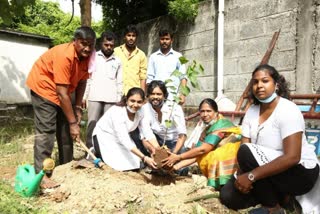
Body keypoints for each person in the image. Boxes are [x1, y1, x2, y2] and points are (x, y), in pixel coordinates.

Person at [219, 64, 320, 214]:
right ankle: (281, 198)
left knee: (246, 152)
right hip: (267, 171)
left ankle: (274, 208)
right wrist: (242, 177)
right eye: (255, 82)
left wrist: (251, 176)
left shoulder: (287, 109)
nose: (259, 85)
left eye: (265, 81)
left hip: (299, 173)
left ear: (276, 84)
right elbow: (244, 149)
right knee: (228, 195)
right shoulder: (252, 112)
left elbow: (293, 157)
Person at [26, 26, 96, 188]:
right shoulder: (64, 55)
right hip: (44, 88)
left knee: (65, 133)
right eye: (83, 44)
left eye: (91, 45)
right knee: (47, 131)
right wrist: (73, 123)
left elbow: (82, 81)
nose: (87, 48)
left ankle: (67, 166)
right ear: (74, 41)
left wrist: (78, 108)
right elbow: (61, 93)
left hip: (63, 91)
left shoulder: (88, 57)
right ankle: (41, 175)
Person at [162, 98, 242, 189]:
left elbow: (203, 150)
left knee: (211, 156)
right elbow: (196, 153)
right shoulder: (207, 130)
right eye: (202, 111)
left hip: (234, 158)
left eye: (208, 111)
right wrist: (175, 167)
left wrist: (178, 157)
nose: (205, 114)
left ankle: (223, 184)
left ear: (216, 112)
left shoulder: (220, 126)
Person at [92, 87, 157, 171]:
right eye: (132, 101)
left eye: (139, 102)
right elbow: (125, 140)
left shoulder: (141, 112)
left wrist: (153, 148)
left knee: (135, 164)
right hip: (105, 137)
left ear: (143, 102)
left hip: (122, 138)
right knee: (119, 166)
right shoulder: (117, 112)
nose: (135, 105)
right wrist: (144, 157)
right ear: (126, 100)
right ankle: (97, 153)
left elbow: (145, 133)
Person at [83, 31, 122, 148]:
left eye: (111, 45)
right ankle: (90, 152)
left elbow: (120, 81)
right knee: (91, 125)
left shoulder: (118, 61)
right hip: (94, 97)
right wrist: (84, 96)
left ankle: (105, 152)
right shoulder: (93, 57)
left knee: (108, 127)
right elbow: (88, 78)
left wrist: (119, 98)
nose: (109, 47)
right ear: (101, 44)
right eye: (106, 44)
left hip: (111, 99)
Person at [140, 80, 187, 155]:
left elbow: (182, 134)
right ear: (148, 95)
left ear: (164, 96)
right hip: (156, 141)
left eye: (159, 94)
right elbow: (147, 132)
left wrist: (174, 154)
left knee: (180, 165)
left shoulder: (174, 108)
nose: (155, 97)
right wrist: (159, 151)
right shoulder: (145, 109)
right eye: (152, 94)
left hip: (175, 142)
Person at [147, 29, 187, 104]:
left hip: (174, 97)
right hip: (157, 97)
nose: (164, 41)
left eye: (167, 39)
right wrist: (149, 95)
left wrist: (183, 95)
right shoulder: (152, 56)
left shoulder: (180, 56)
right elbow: (149, 78)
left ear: (171, 40)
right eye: (162, 39)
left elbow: (184, 76)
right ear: (159, 40)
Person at [114, 25, 147, 94]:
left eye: (133, 36)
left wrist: (142, 94)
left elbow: (143, 77)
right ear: (124, 37)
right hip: (117, 92)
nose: (131, 38)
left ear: (136, 38)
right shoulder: (116, 52)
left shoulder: (141, 55)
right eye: (129, 35)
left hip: (134, 94)